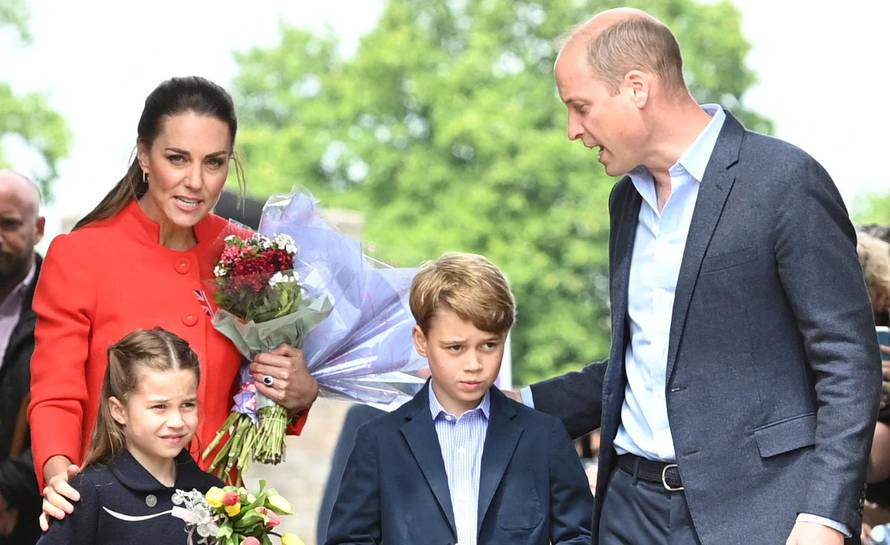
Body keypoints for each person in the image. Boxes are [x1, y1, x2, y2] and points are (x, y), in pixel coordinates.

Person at [523, 8, 881, 545]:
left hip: (761, 517)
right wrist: (508, 404)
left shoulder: (784, 181)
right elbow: (643, 365)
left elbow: (849, 363)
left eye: (580, 107)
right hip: (627, 513)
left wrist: (825, 517)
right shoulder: (626, 201)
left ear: (637, 87)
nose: (573, 130)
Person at [28, 76, 319, 530]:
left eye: (214, 162)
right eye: (177, 159)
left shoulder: (248, 256)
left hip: (220, 516)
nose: (196, 182)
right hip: (113, 515)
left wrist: (296, 394)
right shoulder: (80, 255)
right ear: (144, 155)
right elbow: (56, 390)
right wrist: (57, 469)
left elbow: (258, 392)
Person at [325, 253, 593, 545]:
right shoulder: (377, 441)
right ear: (421, 341)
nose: (474, 363)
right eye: (455, 348)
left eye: (489, 345)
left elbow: (579, 537)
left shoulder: (545, 437)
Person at [37, 328, 221, 544]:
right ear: (119, 410)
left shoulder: (213, 492)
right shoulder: (87, 493)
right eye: (160, 406)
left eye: (187, 405)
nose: (177, 422)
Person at [0, 171, 44, 544]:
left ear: (38, 228)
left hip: (31, 521)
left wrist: (9, 488)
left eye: (8, 224)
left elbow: (83, 408)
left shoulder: (62, 305)